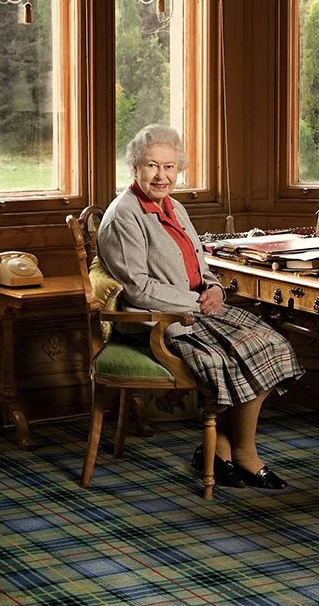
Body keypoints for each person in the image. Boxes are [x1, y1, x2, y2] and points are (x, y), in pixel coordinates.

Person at [98, 124, 305, 490]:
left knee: (272, 344)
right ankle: (244, 454)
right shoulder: (123, 215)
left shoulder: (174, 207)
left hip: (198, 308)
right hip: (161, 320)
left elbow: (200, 266)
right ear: (135, 167)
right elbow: (138, 288)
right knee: (235, 355)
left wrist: (215, 290)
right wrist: (197, 300)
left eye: (170, 167)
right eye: (151, 166)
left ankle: (224, 449)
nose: (161, 176)